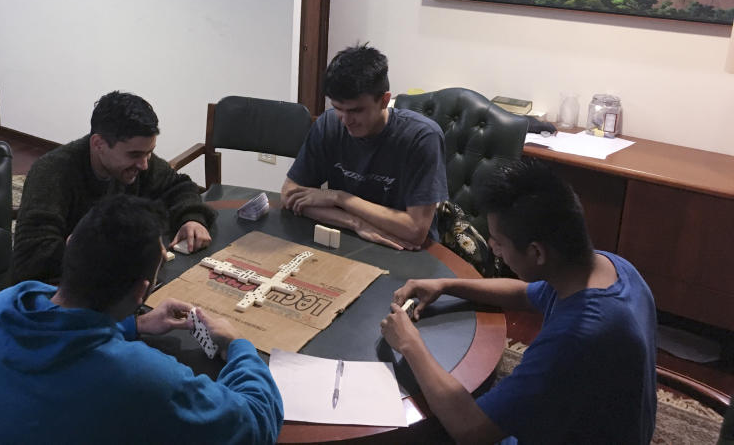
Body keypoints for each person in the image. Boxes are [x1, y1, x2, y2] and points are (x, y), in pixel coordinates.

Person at [0, 195, 283, 445]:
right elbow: (255, 423)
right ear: (143, 291)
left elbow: (67, 328)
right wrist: (240, 345)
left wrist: (133, 325)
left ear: (71, 247)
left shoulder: (4, 303)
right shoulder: (138, 375)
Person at [380, 158, 657, 444]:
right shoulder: (608, 268)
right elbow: (524, 293)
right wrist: (445, 285)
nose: (492, 247)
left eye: (498, 241)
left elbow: (471, 429)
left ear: (536, 252)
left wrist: (409, 344)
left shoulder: (576, 337)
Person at [12, 91, 215, 284]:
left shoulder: (139, 162)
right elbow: (32, 258)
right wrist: (113, 250)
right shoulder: (52, 172)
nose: (144, 165)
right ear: (98, 143)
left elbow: (179, 186)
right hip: (56, 292)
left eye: (149, 152)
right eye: (134, 155)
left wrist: (192, 219)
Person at [281, 44, 447, 250]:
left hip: (403, 248)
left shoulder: (422, 137)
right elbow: (290, 194)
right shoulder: (329, 124)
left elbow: (415, 231)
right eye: (337, 108)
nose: (345, 120)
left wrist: (339, 198)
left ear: (384, 100)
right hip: (349, 236)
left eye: (356, 111)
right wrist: (355, 223)